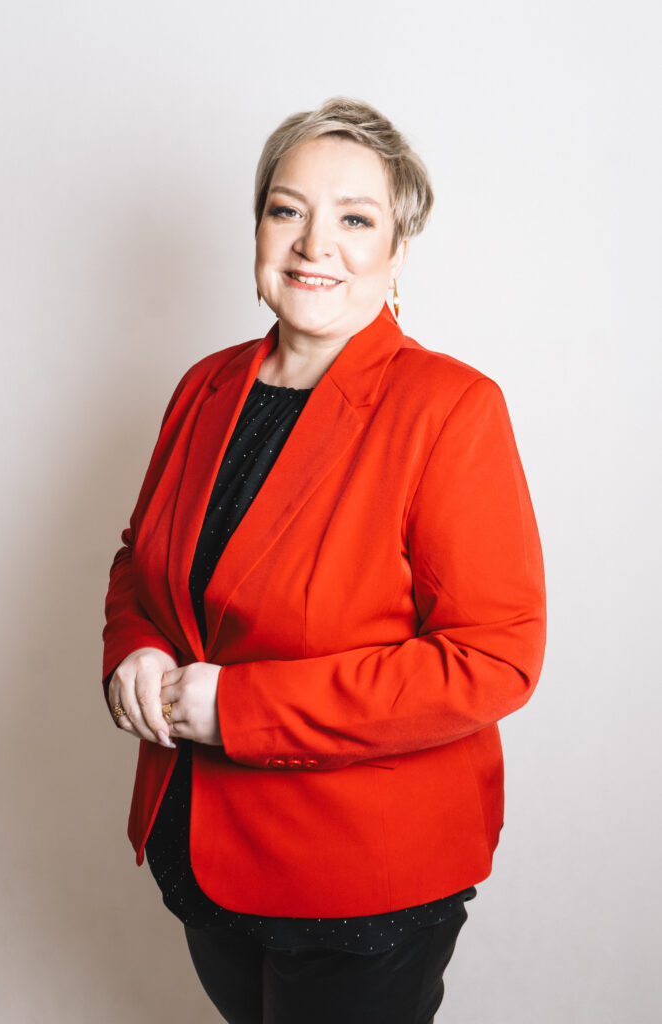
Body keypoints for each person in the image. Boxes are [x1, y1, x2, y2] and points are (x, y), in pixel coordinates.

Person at [102, 96, 546, 1024]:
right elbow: (140, 562)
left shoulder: (450, 408)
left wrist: (239, 708)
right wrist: (135, 648)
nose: (314, 245)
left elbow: (492, 658)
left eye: (354, 220)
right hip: (199, 850)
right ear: (258, 227)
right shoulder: (205, 386)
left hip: (358, 880)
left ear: (397, 251)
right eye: (287, 210)